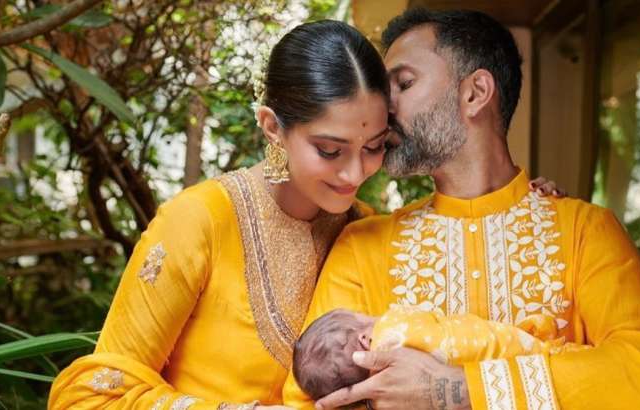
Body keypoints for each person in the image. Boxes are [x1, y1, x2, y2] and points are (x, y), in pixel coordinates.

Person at [48, 18, 561, 410]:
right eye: (330, 150)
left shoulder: (364, 229)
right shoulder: (200, 220)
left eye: (376, 146)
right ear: (273, 127)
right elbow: (89, 395)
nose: (355, 173)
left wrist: (521, 208)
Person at [282, 8, 640, 410]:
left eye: (404, 83)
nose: (383, 108)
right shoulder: (363, 247)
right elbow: (306, 401)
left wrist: (460, 390)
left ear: (475, 93)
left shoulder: (586, 231)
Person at [292, 307, 586, 402]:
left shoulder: (391, 399)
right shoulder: (393, 328)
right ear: (365, 341)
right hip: (536, 361)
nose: (375, 316)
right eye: (362, 317)